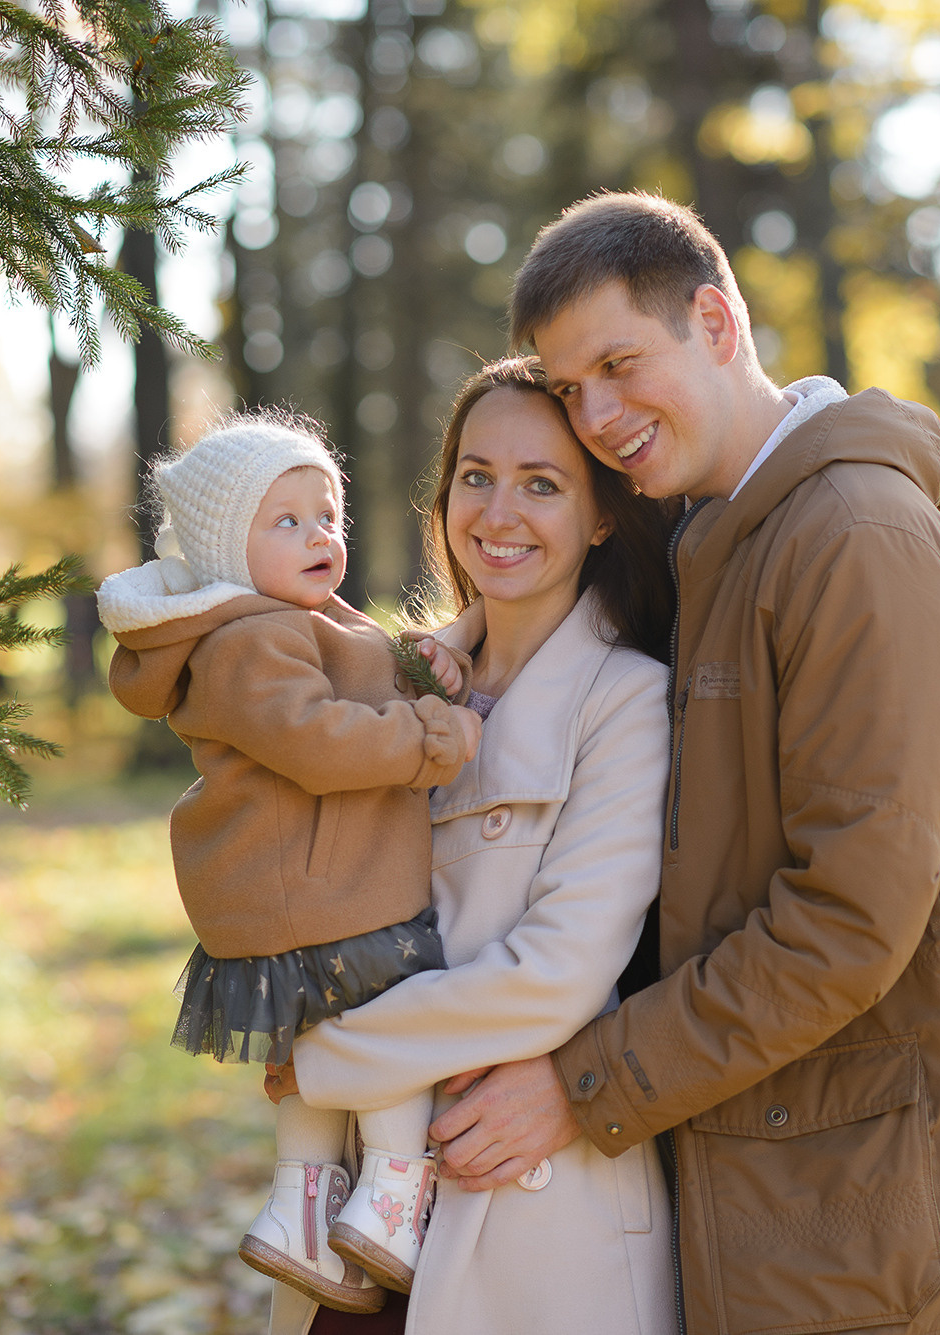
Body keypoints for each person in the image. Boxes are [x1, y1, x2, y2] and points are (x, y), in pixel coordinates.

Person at [429, 193, 940, 1335]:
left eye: (621, 364)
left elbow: (848, 922)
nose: (599, 417)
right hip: (773, 1189)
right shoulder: (715, 537)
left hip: (877, 1218)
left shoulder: (854, 540)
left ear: (716, 323)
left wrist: (586, 1085)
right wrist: (462, 639)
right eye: (573, 389)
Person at [264, 358, 680, 1335]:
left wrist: (321, 1061)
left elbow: (553, 976)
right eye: (475, 475)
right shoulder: (389, 684)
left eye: (542, 484)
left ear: (603, 514)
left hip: (532, 1216)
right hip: (351, 1207)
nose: (499, 512)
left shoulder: (625, 701)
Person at [97, 411, 483, 1316]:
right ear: (230, 549)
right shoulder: (248, 638)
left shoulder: (297, 618)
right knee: (394, 1030)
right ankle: (391, 1195)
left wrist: (428, 668)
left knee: (314, 1058)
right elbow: (316, 739)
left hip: (312, 892)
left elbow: (362, 668)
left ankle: (300, 1208)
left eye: (328, 515)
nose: (320, 535)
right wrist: (434, 736)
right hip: (326, 898)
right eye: (288, 521)